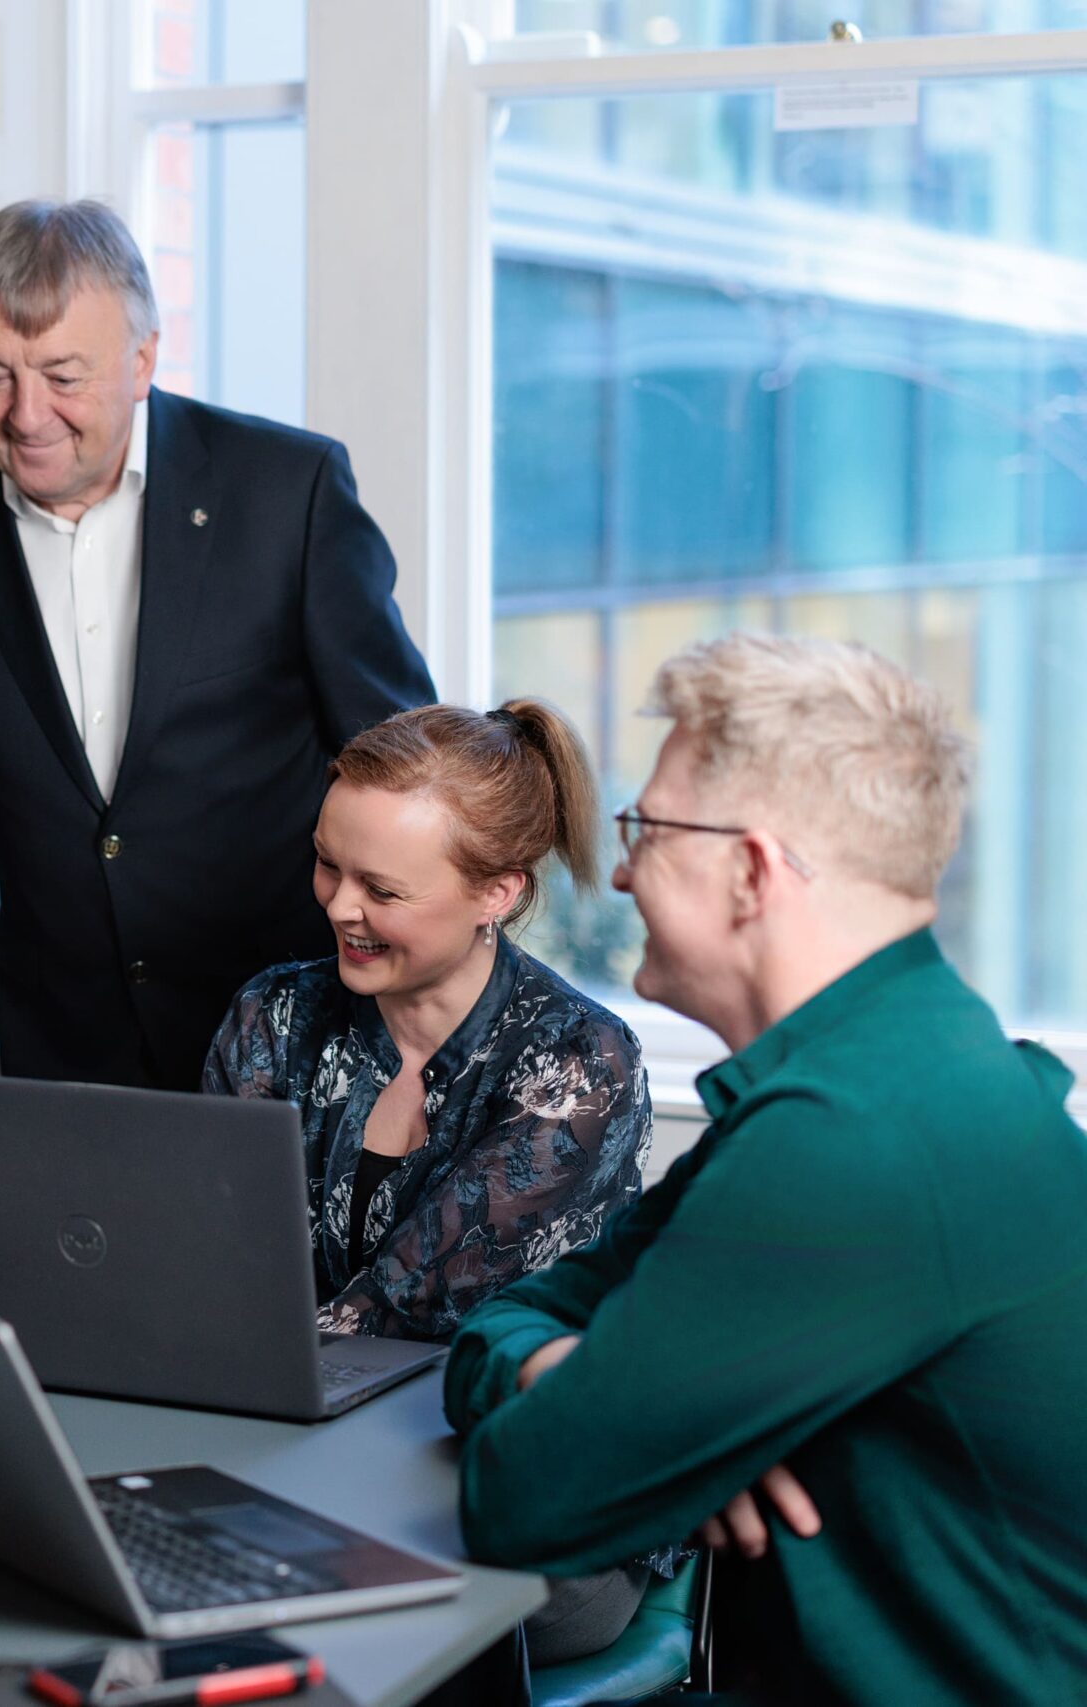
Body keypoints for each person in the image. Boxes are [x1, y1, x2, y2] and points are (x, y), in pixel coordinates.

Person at [447, 635, 1087, 1703]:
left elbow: (518, 1500)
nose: (619, 872)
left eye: (645, 830)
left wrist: (628, 1426)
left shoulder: (852, 1136)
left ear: (749, 871)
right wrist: (559, 1371)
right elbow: (509, 1320)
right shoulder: (898, 1063)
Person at [0, 198, 433, 1091]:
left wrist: (436, 1019)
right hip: (67, 1052)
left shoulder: (287, 492)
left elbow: (405, 769)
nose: (26, 414)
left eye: (62, 376)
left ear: (143, 358)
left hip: (301, 1037)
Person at [202, 699, 654, 1668]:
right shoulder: (271, 1014)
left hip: (520, 1503)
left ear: (497, 892)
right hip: (299, 1466)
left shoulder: (578, 1060)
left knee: (233, 1585)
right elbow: (208, 1266)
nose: (337, 906)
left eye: (382, 888)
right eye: (327, 864)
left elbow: (395, 1317)